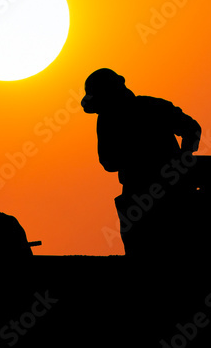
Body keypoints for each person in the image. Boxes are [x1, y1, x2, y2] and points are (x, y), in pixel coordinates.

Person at [81, 68, 201, 256]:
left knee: (147, 259)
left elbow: (108, 162)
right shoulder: (153, 107)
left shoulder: (110, 119)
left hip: (152, 197)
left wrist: (182, 158)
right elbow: (192, 129)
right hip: (157, 194)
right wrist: (183, 158)